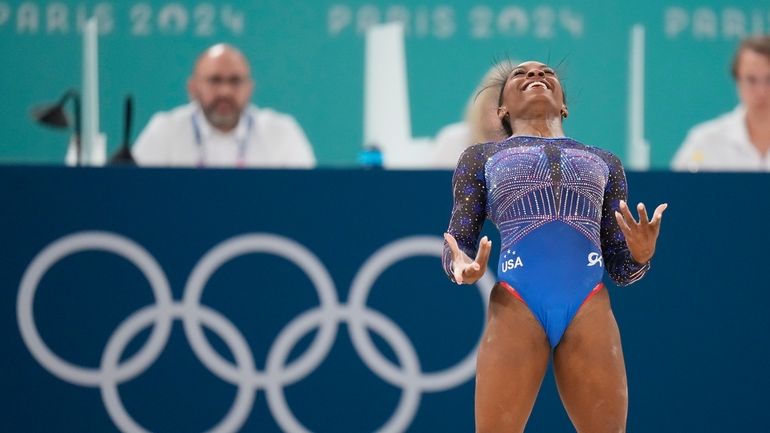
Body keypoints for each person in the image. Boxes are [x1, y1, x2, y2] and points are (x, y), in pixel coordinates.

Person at [442, 61, 667, 432]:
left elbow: (621, 269)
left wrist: (641, 256)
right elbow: (458, 240)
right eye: (521, 74)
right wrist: (460, 267)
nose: (535, 75)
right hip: (517, 303)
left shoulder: (605, 161)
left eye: (547, 73)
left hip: (588, 304)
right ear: (502, 110)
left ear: (564, 105)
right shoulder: (480, 157)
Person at [133, 43, 315, 168]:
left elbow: (307, 195)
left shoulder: (282, 132)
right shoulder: (165, 130)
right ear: (193, 87)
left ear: (250, 88)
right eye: (215, 80)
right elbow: (134, 192)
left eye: (235, 81)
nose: (225, 92)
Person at [671, 35, 770, 172]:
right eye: (751, 80)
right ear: (737, 80)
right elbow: (676, 190)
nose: (761, 91)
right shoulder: (704, 142)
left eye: (769, 79)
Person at [431, 64, 510, 168]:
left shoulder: (536, 150)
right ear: (482, 104)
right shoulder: (453, 141)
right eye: (496, 99)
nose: (503, 109)